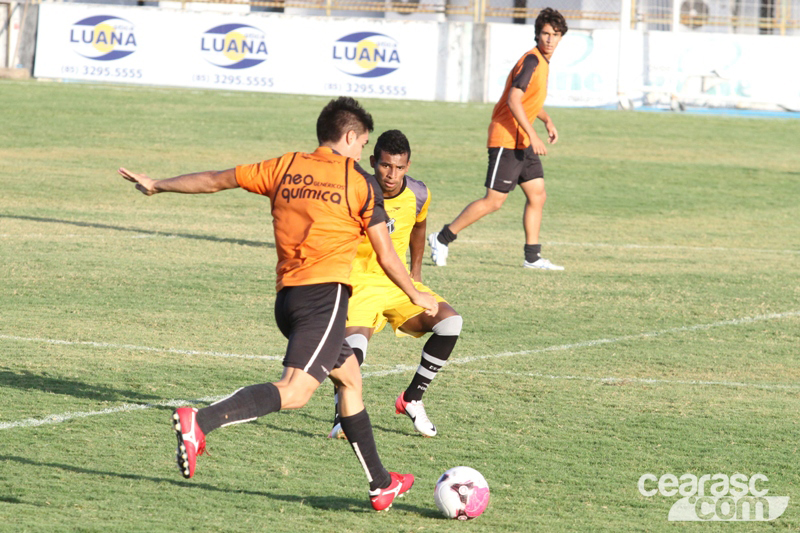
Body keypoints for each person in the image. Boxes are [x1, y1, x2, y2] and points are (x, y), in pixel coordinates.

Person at [118, 96, 438, 512]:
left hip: (288, 299)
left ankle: (381, 484)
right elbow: (385, 253)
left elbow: (216, 179)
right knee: (296, 391)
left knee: (350, 379)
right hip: (325, 299)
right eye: (362, 144)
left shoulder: (283, 166)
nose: (364, 153)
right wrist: (416, 294)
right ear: (348, 136)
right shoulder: (359, 183)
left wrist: (158, 183)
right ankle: (201, 423)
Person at [327, 130, 462, 440]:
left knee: (450, 322)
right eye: (386, 166)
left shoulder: (418, 193)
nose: (392, 174)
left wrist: (415, 271)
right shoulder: (355, 190)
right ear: (374, 161)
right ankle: (341, 417)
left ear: (408, 165)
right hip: (359, 282)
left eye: (400, 168)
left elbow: (419, 225)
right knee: (354, 352)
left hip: (400, 284)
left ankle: (412, 398)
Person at [428, 7, 568, 270]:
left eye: (555, 34)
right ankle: (442, 238)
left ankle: (532, 257)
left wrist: (546, 119)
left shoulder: (542, 62)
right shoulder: (532, 61)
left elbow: (528, 102)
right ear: (537, 34)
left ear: (561, 38)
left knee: (537, 195)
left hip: (521, 140)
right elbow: (514, 99)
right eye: (546, 33)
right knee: (494, 200)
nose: (550, 39)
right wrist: (532, 133)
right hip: (506, 138)